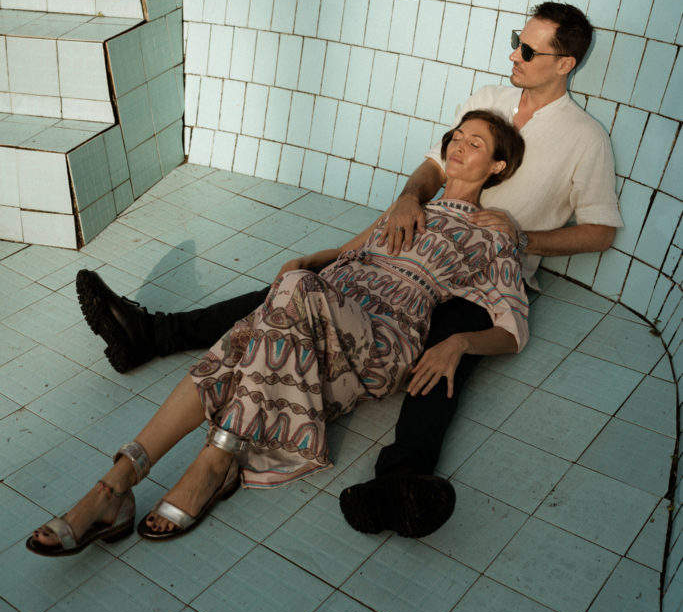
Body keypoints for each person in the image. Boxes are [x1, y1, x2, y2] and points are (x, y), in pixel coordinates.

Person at [76, 0, 622, 537]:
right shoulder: (490, 99)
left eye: (528, 48)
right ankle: (132, 459)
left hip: (475, 268)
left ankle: (401, 475)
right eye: (515, 41)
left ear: (564, 63)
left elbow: (598, 232)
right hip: (395, 254)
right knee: (293, 293)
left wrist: (519, 239)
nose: (514, 54)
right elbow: (429, 172)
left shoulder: (582, 137)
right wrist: (405, 202)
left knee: (436, 348)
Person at [28, 112, 526, 556]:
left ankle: (209, 461)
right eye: (456, 135)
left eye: (475, 143)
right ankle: (117, 485)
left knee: (285, 299)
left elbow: (512, 327)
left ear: (499, 167)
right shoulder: (409, 206)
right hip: (320, 311)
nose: (458, 145)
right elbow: (356, 248)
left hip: (381, 337)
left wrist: (460, 342)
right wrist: (309, 261)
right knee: (246, 339)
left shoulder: (493, 232)